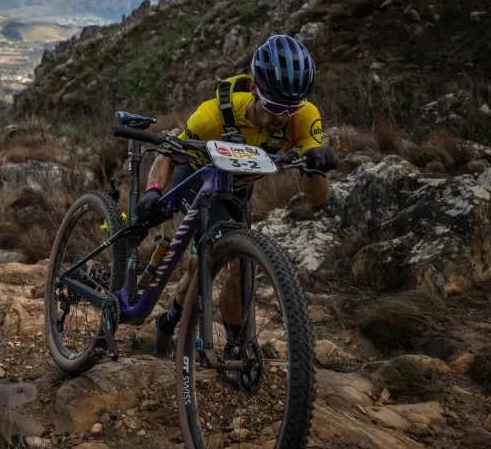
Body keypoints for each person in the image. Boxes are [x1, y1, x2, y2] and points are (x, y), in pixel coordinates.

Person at [137, 35, 339, 360]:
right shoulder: (212, 116)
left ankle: (211, 335)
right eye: (275, 106)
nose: (283, 117)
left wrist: (316, 166)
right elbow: (167, 156)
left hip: (238, 189)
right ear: (255, 89)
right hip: (198, 179)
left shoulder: (303, 117)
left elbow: (317, 200)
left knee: (233, 266)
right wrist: (152, 192)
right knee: (211, 263)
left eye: (292, 108)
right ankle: (184, 329)